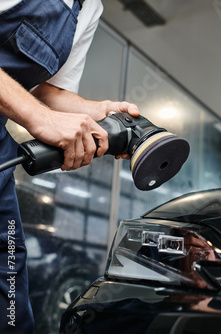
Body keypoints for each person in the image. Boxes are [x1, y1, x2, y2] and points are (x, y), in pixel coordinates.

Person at [0, 0, 139, 332]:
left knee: (7, 272)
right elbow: (40, 109)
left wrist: (99, 110)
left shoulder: (90, 9)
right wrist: (39, 118)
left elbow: (48, 92)